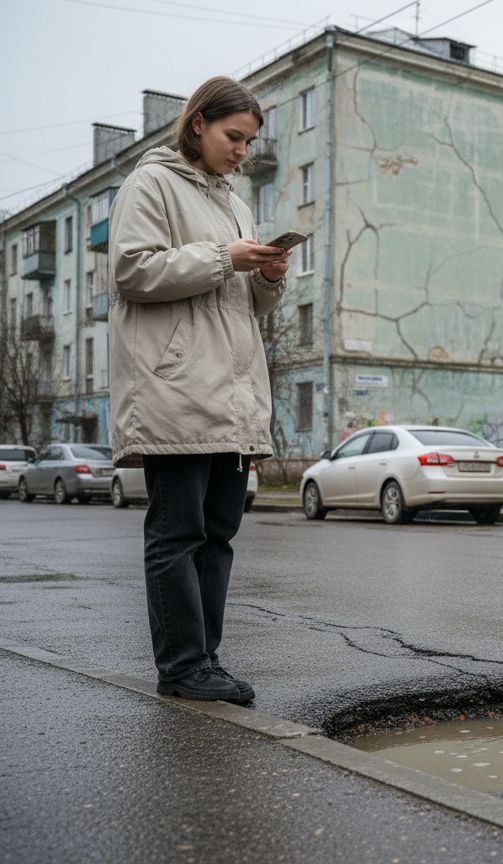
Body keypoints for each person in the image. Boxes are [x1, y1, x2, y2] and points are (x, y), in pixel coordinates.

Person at [108, 76, 290, 704]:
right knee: (176, 535)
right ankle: (181, 667)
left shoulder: (236, 205)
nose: (242, 150)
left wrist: (266, 276)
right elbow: (131, 270)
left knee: (218, 535)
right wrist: (223, 257)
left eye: (249, 141)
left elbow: (242, 306)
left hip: (232, 398)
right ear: (196, 126)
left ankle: (204, 661)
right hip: (177, 393)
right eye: (232, 137)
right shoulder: (150, 183)